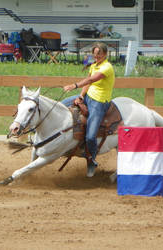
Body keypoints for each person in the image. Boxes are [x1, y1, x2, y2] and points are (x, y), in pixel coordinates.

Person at [63, 42, 115, 177]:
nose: (96, 56)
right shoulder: (93, 65)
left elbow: (92, 79)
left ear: (105, 54)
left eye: (99, 54)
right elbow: (89, 82)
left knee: (91, 136)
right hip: (88, 97)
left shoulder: (107, 67)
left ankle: (91, 160)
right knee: (61, 105)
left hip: (99, 102)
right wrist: (80, 96)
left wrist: (74, 85)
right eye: (95, 53)